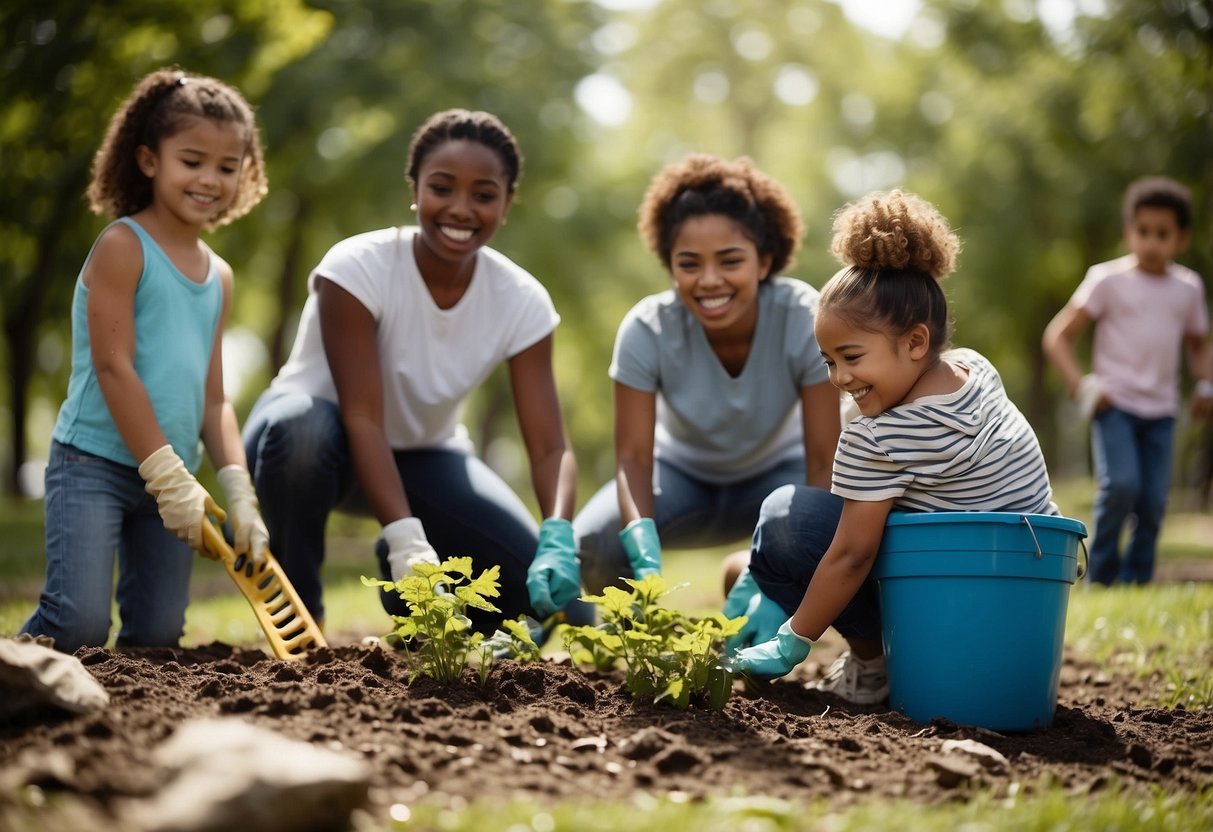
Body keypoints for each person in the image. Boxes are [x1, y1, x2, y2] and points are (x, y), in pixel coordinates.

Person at [243, 109, 578, 634]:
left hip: (424, 455)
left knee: (552, 605)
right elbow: (363, 415)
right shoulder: (356, 267)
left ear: (507, 203)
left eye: (484, 195)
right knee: (303, 433)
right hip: (308, 442)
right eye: (442, 188)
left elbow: (548, 448)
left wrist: (558, 532)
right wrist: (407, 536)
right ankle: (301, 615)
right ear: (415, 189)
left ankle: (406, 591)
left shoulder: (522, 301)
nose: (461, 209)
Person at [727, 189, 1060, 703]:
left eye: (851, 357)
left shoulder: (879, 435)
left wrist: (794, 638)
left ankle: (874, 664)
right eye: (829, 361)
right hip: (1023, 600)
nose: (839, 377)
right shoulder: (976, 371)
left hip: (942, 615)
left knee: (783, 520)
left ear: (915, 342)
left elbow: (853, 555)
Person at [526, 154, 839, 627]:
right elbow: (633, 458)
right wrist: (639, 535)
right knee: (596, 542)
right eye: (688, 263)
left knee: (809, 530)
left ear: (765, 260)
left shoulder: (803, 316)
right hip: (679, 477)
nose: (709, 280)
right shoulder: (647, 329)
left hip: (778, 474)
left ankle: (765, 621)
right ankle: (632, 640)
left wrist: (775, 574)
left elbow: (823, 461)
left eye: (730, 260)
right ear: (669, 264)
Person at [21, 68, 270, 653]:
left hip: (174, 480)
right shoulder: (123, 246)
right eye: (192, 160)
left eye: (227, 167)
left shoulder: (220, 277)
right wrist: (165, 478)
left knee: (157, 640)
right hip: (95, 465)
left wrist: (239, 490)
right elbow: (114, 368)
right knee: (77, 628)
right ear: (149, 160)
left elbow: (214, 399)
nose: (210, 179)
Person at [1042, 176, 1213, 586]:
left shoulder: (1188, 288)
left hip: (1162, 411)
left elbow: (1198, 344)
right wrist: (1080, 384)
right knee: (1121, 486)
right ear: (1128, 232)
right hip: (1113, 405)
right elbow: (1057, 336)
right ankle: (1101, 577)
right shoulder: (1106, 280)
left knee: (1153, 502)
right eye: (1144, 232)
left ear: (1181, 239)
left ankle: (1137, 580)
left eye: (1163, 234)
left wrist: (1205, 383)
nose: (1152, 242)